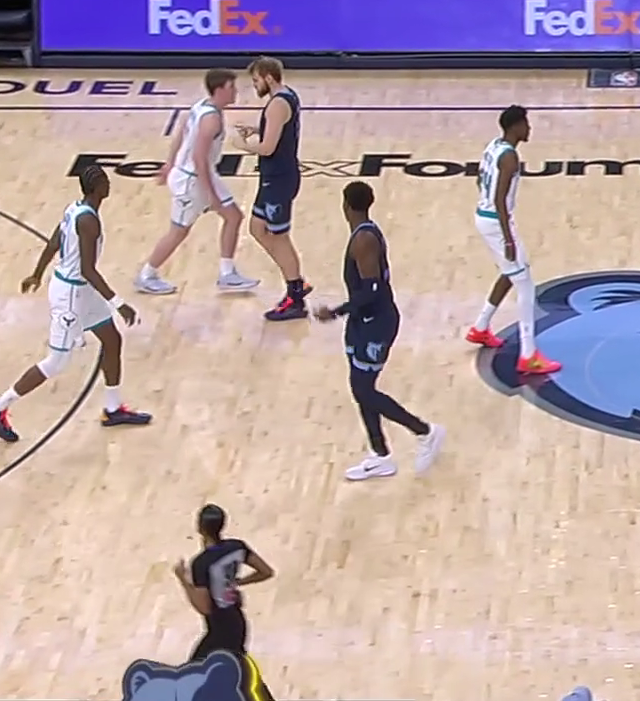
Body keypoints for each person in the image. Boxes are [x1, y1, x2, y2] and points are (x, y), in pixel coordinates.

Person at [0, 165, 152, 443]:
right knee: (56, 362)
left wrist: (37, 274)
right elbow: (87, 270)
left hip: (80, 290)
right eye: (105, 181)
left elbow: (55, 240)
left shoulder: (75, 208)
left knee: (112, 339)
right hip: (71, 294)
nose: (109, 184)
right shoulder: (88, 221)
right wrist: (119, 303)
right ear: (97, 188)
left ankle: (112, 408)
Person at [313, 181, 446, 481]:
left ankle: (425, 432)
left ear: (345, 205)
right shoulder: (363, 234)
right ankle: (381, 455)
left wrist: (336, 311)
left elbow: (372, 291)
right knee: (360, 387)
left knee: (365, 390)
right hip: (362, 321)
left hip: (377, 322)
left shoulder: (363, 240)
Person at [135, 69, 262, 297]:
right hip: (192, 181)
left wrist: (169, 164)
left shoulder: (200, 106)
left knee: (234, 217)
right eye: (231, 87)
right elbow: (198, 158)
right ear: (220, 89)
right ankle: (146, 275)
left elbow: (181, 135)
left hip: (199, 175)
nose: (236, 91)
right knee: (179, 231)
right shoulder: (211, 119)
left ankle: (227, 274)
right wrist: (210, 194)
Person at [464, 105, 562, 375]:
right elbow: (499, 200)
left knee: (510, 273)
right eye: (526, 124)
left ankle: (480, 328)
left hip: (484, 216)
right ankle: (528, 355)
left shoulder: (493, 146)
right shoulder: (510, 158)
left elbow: (479, 181)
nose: (529, 128)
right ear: (515, 126)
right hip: (497, 222)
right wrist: (508, 239)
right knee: (526, 285)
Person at [175, 503, 277, 701]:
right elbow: (266, 571)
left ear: (200, 528)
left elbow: (204, 607)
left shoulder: (201, 563)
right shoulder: (236, 547)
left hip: (220, 629)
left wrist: (183, 580)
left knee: (194, 676)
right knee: (240, 673)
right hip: (236, 621)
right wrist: (237, 582)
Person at [235, 56, 311, 321]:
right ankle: (296, 280)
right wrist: (257, 128)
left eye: (256, 80)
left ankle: (295, 295)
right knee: (257, 228)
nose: (254, 85)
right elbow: (279, 131)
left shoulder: (277, 104)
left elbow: (268, 148)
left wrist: (243, 146)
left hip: (278, 179)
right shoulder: (287, 95)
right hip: (275, 177)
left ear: (269, 77)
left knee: (279, 237)